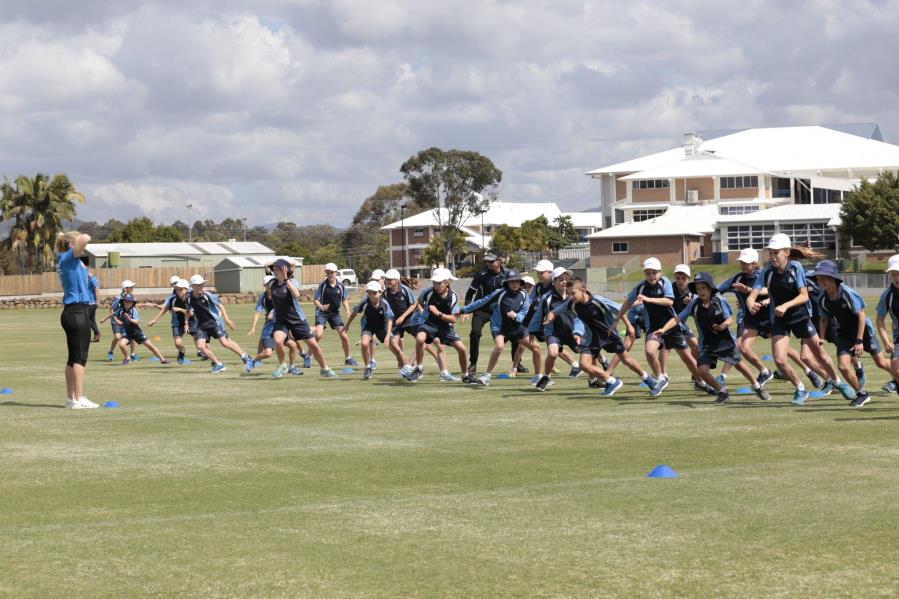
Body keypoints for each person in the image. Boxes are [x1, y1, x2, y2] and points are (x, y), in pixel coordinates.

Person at [746, 234, 851, 405]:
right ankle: (801, 389)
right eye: (770, 253)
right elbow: (753, 295)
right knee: (779, 360)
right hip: (779, 320)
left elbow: (804, 296)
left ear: (786, 252)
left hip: (800, 318)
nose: (772, 257)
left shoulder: (796, 268)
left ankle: (837, 382)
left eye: (776, 253)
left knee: (821, 356)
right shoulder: (766, 273)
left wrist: (785, 305)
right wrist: (751, 304)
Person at [718, 248, 825, 391]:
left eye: (747, 262)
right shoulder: (737, 278)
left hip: (769, 318)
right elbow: (717, 291)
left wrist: (753, 295)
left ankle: (809, 371)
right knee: (742, 347)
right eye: (741, 262)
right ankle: (764, 371)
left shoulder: (764, 274)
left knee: (787, 350)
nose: (743, 265)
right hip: (752, 321)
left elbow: (772, 291)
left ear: (755, 263)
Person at [655, 272, 770, 403]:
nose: (700, 291)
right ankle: (722, 391)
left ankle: (757, 386)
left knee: (739, 365)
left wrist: (722, 326)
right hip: (706, 344)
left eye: (703, 288)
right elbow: (677, 318)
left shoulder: (720, 301)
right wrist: (663, 329)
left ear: (710, 288)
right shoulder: (694, 304)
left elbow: (729, 320)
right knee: (702, 371)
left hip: (724, 341)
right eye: (698, 289)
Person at [545, 278, 658, 397]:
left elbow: (620, 308)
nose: (571, 296)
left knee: (625, 359)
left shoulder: (598, 301)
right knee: (583, 364)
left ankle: (648, 379)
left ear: (583, 290)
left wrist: (631, 313)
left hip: (608, 334)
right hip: (592, 338)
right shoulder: (571, 304)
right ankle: (612, 381)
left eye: (573, 293)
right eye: (568, 293)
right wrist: (550, 316)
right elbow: (555, 311)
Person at [613, 258, 705, 397]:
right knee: (650, 352)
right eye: (648, 273)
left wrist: (648, 299)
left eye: (654, 273)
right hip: (654, 327)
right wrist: (617, 319)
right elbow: (628, 302)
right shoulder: (641, 286)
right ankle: (661, 377)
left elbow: (669, 301)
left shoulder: (665, 282)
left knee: (688, 358)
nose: (651, 276)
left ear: (660, 273)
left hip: (672, 326)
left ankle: (701, 382)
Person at [814, 260, 894, 408]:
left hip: (864, 332)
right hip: (844, 334)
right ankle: (862, 394)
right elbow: (824, 319)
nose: (820, 281)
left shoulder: (847, 293)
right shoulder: (822, 298)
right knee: (843, 367)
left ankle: (896, 377)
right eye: (818, 278)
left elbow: (861, 316)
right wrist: (822, 338)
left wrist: (859, 341)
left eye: (823, 277)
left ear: (832, 278)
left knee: (881, 363)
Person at [461, 270, 542, 386]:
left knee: (536, 348)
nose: (514, 284)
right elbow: (482, 302)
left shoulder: (524, 294)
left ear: (520, 283)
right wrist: (464, 310)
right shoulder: (500, 293)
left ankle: (538, 377)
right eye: (511, 282)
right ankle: (486, 376)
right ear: (507, 283)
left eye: (516, 281)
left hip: (517, 328)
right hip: (500, 327)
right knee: (499, 346)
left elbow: (525, 311)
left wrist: (517, 316)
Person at [266, 259, 337, 378]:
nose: (275, 271)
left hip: (297, 319)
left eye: (278, 269)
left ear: (285, 270)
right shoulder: (272, 283)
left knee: (313, 345)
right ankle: (283, 365)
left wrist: (286, 279)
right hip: (280, 319)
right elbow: (266, 268)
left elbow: (297, 295)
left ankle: (325, 368)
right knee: (278, 341)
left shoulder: (292, 281)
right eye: (275, 269)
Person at [56, 231, 99, 409]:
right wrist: (79, 236)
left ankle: (71, 398)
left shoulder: (66, 259)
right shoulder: (68, 258)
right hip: (77, 312)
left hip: (73, 312)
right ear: (72, 246)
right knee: (80, 358)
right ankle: (79, 398)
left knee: (72, 358)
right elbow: (86, 238)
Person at [405, 268, 468, 382]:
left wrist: (438, 313)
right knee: (420, 339)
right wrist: (422, 313)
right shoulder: (428, 292)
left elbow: (453, 319)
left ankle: (466, 375)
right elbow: (419, 301)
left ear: (446, 283)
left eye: (439, 283)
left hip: (445, 327)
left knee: (462, 349)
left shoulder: (453, 296)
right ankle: (419, 368)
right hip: (430, 324)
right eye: (434, 283)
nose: (436, 286)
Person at [532, 267, 586, 391]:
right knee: (553, 353)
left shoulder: (573, 296)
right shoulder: (547, 298)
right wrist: (532, 330)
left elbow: (580, 316)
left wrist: (579, 331)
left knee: (588, 351)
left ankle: (595, 378)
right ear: (554, 281)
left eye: (566, 279)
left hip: (573, 331)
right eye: (561, 279)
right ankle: (546, 377)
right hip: (553, 332)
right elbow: (538, 314)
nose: (564, 282)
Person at [186, 274, 252, 373]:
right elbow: (188, 311)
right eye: (199, 285)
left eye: (202, 284)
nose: (201, 286)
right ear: (193, 286)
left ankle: (244, 356)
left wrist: (227, 319)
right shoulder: (189, 298)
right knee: (200, 346)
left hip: (213, 323)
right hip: (201, 326)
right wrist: (186, 323)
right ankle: (218, 364)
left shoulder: (208, 295)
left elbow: (220, 305)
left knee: (225, 343)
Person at [464, 251, 509, 377]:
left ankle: (518, 364)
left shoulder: (507, 275)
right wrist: (467, 310)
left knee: (514, 334)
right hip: (482, 310)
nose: (488, 263)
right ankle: (473, 363)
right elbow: (470, 293)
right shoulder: (481, 274)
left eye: (491, 261)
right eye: (487, 261)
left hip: (499, 311)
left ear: (499, 261)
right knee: (475, 333)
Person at [246, 275, 302, 374]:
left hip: (280, 327)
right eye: (269, 284)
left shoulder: (280, 294)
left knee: (293, 346)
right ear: (265, 285)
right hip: (269, 329)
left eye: (272, 283)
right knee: (268, 353)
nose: (271, 286)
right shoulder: (264, 297)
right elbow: (260, 313)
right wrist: (253, 328)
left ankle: (292, 368)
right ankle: (253, 361)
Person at [344, 281, 395, 380]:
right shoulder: (364, 302)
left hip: (382, 328)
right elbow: (354, 312)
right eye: (369, 292)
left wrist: (388, 336)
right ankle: (368, 367)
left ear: (380, 292)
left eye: (374, 293)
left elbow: (389, 320)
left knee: (394, 347)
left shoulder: (384, 304)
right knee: (364, 344)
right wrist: (347, 325)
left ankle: (405, 366)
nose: (371, 295)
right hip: (368, 327)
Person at [314, 263, 356, 366]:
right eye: (327, 273)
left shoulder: (341, 286)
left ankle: (348, 358)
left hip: (334, 314)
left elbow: (344, 299)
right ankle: (308, 356)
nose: (329, 275)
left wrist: (347, 310)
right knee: (318, 335)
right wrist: (320, 306)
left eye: (331, 273)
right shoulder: (323, 285)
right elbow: (315, 300)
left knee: (344, 335)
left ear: (335, 273)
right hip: (322, 313)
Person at [113, 294, 170, 365]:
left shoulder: (133, 311)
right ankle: (127, 358)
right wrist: (117, 320)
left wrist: (129, 319)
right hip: (128, 333)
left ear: (132, 303)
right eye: (126, 301)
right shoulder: (121, 310)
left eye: (130, 301)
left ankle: (163, 359)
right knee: (121, 344)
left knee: (150, 346)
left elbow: (137, 322)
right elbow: (114, 315)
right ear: (123, 302)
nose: (128, 303)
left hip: (137, 332)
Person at [147, 278, 193, 364]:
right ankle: (182, 351)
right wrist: (154, 320)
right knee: (178, 343)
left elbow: (192, 314)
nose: (178, 291)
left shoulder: (191, 298)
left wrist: (180, 310)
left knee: (198, 339)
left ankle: (203, 353)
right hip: (177, 322)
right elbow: (164, 309)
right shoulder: (173, 299)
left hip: (191, 321)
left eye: (180, 289)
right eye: (176, 289)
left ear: (186, 289)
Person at [874, 254, 899, 395]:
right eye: (893, 274)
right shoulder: (887, 295)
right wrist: (886, 341)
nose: (896, 278)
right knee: (895, 370)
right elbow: (879, 320)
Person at [85, 261, 101, 342]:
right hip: (87, 302)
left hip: (91, 303)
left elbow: (96, 290)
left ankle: (96, 334)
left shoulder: (92, 279)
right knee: (92, 320)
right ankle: (96, 336)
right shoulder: (85, 279)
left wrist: (97, 301)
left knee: (87, 319)